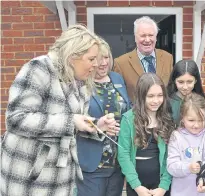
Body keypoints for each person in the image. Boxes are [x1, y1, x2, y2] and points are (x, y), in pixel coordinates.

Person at [0, 25, 117, 196]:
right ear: (73, 56)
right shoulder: (38, 69)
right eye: (91, 59)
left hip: (61, 177)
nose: (96, 64)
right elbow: (16, 119)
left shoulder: (81, 80)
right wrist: (71, 121)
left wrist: (95, 125)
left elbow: (73, 124)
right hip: (29, 175)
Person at [76, 37, 131, 196]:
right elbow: (74, 120)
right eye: (98, 59)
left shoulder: (117, 79)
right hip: (92, 163)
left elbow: (127, 109)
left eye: (106, 57)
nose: (103, 63)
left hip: (117, 163)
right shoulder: (81, 83)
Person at [117, 73, 175, 196]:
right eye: (150, 96)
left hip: (160, 184)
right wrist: (136, 186)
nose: (156, 100)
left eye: (160, 95)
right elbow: (123, 154)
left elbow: (171, 156)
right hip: (137, 184)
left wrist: (164, 186)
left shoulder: (167, 120)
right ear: (141, 96)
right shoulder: (128, 119)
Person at [167, 93, 205, 196]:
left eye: (201, 120)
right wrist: (188, 168)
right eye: (191, 120)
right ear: (182, 117)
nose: (196, 125)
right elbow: (171, 165)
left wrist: (204, 179)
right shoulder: (176, 136)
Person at [114, 16, 174, 101]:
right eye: (143, 35)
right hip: (135, 113)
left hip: (163, 113)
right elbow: (119, 97)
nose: (147, 39)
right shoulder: (121, 63)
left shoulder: (167, 58)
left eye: (151, 35)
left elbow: (171, 90)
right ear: (135, 37)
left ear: (156, 37)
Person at [166, 59, 205, 125]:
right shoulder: (167, 101)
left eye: (189, 82)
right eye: (181, 82)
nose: (185, 87)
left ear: (195, 81)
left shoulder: (200, 100)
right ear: (174, 81)